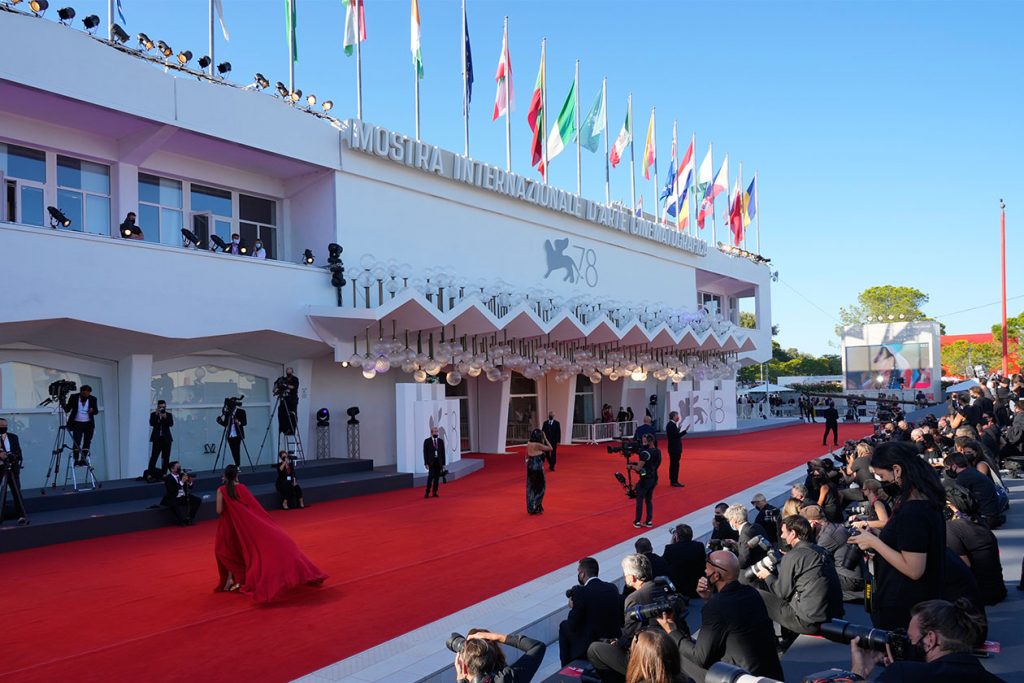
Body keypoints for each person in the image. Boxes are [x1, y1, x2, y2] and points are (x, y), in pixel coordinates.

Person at [847, 441, 946, 630]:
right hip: (916, 602)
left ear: (897, 470)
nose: (882, 482)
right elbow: (911, 541)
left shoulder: (913, 510)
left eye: (882, 476)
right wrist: (881, 535)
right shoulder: (925, 499)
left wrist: (875, 542)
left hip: (904, 606)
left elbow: (914, 569)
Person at [659, 550, 783, 682]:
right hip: (771, 673)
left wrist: (672, 631)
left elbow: (700, 658)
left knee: (681, 655)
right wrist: (709, 599)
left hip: (743, 677)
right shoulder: (751, 592)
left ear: (716, 575)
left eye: (707, 568)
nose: (705, 572)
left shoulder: (717, 606)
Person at [214, 464, 326, 602]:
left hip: (228, 526)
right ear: (237, 475)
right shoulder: (242, 488)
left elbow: (219, 511)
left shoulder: (221, 490)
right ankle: (233, 580)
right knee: (241, 551)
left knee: (226, 551)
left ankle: (231, 580)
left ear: (225, 476)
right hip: (244, 525)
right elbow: (254, 508)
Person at [849, 599, 1004, 682]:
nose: (908, 644)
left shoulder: (904, 673)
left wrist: (859, 672)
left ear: (930, 639)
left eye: (910, 639)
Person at [755, 515, 844, 636]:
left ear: (793, 533)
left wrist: (767, 576)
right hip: (835, 615)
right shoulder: (822, 550)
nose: (781, 536)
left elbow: (781, 592)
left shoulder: (792, 556)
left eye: (783, 532)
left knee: (755, 594)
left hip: (809, 621)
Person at [587, 554, 664, 683]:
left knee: (594, 649)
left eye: (625, 574)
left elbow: (630, 636)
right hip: (662, 649)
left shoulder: (634, 598)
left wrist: (616, 643)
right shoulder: (661, 587)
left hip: (645, 657)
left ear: (632, 577)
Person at [944, 484, 1005, 606]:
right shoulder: (976, 521)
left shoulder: (952, 528)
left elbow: (962, 567)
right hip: (997, 590)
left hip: (980, 596)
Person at [558, 557, 623, 666]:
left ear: (582, 574)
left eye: (579, 572)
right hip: (612, 636)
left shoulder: (580, 592)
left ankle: (566, 667)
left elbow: (572, 624)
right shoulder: (612, 588)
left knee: (564, 626)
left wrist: (572, 607)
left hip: (591, 642)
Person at [801, 505, 865, 602]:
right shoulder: (831, 527)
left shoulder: (828, 537)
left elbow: (812, 559)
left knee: (812, 576)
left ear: (813, 523)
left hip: (850, 579)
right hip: (854, 574)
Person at [453, 630, 545, 683]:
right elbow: (537, 647)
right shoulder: (510, 677)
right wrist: (494, 637)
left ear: (464, 668)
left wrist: (460, 679)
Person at [943, 452, 1003, 529]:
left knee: (949, 497)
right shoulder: (972, 472)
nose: (946, 470)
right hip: (991, 515)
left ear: (954, 466)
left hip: (983, 519)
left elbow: (959, 500)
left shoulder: (963, 478)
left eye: (947, 467)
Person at [722, 504, 769, 580]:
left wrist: (730, 563)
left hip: (756, 576)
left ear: (734, 520)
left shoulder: (745, 534)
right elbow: (750, 547)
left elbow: (744, 561)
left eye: (729, 520)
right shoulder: (756, 526)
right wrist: (736, 544)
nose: (729, 522)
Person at [663, 524, 706, 598]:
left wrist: (673, 543)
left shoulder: (670, 549)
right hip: (696, 586)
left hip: (679, 590)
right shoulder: (699, 546)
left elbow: (664, 564)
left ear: (677, 536)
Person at [629, 432, 661, 528]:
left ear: (650, 441)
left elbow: (638, 468)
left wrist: (630, 466)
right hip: (654, 477)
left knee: (640, 501)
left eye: (645, 441)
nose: (643, 443)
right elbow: (657, 464)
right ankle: (649, 521)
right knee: (649, 500)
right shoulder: (658, 451)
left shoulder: (645, 453)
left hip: (645, 479)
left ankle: (637, 521)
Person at [0, 418, 27, 525]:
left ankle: (21, 515)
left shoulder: (13, 437)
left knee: (17, 492)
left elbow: (19, 452)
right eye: (1, 426)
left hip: (12, 468)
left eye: (4, 426)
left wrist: (13, 457)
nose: (3, 428)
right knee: (2, 493)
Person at [64, 385, 98, 466]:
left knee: (87, 441)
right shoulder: (74, 397)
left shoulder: (93, 399)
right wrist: (63, 403)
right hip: (77, 423)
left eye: (87, 393)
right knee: (77, 441)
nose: (86, 394)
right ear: (81, 392)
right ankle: (76, 459)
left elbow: (96, 411)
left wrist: (92, 411)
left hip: (88, 424)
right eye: (84, 393)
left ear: (89, 393)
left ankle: (83, 458)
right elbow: (67, 409)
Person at [162, 461, 201, 526]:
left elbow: (191, 487)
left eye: (180, 467)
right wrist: (181, 482)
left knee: (197, 500)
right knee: (173, 504)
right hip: (174, 497)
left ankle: (190, 518)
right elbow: (172, 490)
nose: (179, 469)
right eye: (178, 467)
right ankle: (181, 521)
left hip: (183, 496)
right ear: (172, 469)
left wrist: (190, 482)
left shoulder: (182, 475)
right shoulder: (168, 478)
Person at [525, 429, 551, 515]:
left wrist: (527, 461)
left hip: (530, 465)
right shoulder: (538, 445)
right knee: (541, 487)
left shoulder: (529, 443)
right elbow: (550, 448)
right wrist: (546, 438)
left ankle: (531, 507)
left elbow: (527, 455)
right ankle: (535, 505)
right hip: (537, 466)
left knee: (531, 487)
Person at [216, 399, 247, 468]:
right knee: (233, 451)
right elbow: (226, 424)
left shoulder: (241, 412)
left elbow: (245, 422)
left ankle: (238, 465)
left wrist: (238, 422)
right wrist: (220, 421)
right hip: (230, 435)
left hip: (238, 435)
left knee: (236, 450)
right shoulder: (228, 413)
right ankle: (236, 464)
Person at [147, 399, 174, 478]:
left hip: (167, 439)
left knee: (166, 457)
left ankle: (164, 473)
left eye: (164, 407)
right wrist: (157, 415)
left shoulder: (168, 415)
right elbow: (151, 423)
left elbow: (171, 424)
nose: (162, 409)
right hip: (157, 439)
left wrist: (165, 417)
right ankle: (150, 473)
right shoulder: (153, 414)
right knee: (154, 456)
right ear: (157, 407)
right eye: (160, 407)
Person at [665, 411, 688, 488]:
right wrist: (685, 431)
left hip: (673, 448)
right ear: (674, 416)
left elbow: (674, 435)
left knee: (674, 464)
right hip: (674, 448)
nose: (678, 417)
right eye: (677, 416)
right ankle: (674, 481)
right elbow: (676, 436)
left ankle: (673, 480)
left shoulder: (671, 425)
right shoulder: (671, 425)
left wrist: (678, 429)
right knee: (675, 465)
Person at [276, 367, 300, 435]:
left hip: (292, 400)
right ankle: (283, 428)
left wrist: (285, 385)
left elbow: (294, 387)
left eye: (290, 372)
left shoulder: (295, 379)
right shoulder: (284, 379)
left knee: (292, 415)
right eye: (287, 372)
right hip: (284, 400)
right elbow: (278, 387)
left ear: (292, 372)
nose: (288, 373)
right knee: (281, 412)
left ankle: (291, 429)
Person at [423, 425, 445, 498]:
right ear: (431, 433)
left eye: (437, 431)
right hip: (431, 463)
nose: (436, 433)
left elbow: (443, 453)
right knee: (430, 477)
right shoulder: (427, 441)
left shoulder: (441, 441)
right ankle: (427, 492)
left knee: (437, 478)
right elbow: (425, 453)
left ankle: (435, 492)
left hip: (438, 462)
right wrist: (426, 463)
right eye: (435, 431)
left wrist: (443, 464)